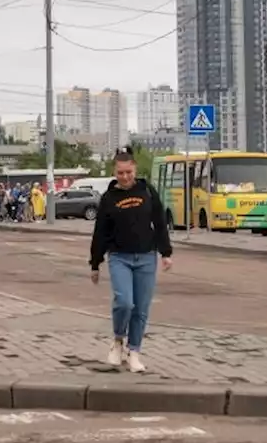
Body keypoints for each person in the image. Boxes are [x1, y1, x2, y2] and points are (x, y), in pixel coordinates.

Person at [88, 151, 172, 374]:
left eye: (129, 172)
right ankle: (117, 341)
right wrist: (95, 263)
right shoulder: (109, 198)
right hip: (119, 257)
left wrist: (166, 252)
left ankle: (134, 352)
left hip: (146, 257)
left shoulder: (147, 191)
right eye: (120, 173)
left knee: (141, 308)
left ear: (135, 170)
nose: (125, 177)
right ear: (114, 172)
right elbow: (100, 233)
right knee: (125, 302)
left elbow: (160, 222)